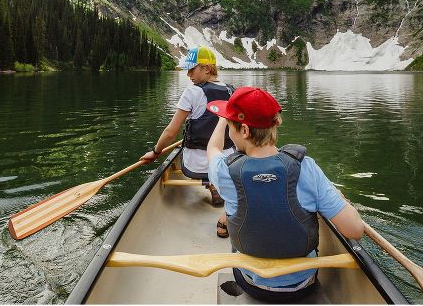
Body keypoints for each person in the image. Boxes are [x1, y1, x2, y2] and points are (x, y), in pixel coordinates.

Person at [205, 86, 364, 303]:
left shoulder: (223, 172)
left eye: (231, 127)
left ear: (244, 131)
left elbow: (213, 148)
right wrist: (335, 195)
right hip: (302, 286)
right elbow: (355, 230)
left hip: (252, 283)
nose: (229, 133)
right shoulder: (306, 167)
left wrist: (222, 118)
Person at [141, 46, 236, 238]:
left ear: (207, 68)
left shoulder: (192, 92)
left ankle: (211, 183)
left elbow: (170, 133)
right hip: (228, 162)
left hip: (196, 165)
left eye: (192, 69)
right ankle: (216, 184)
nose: (188, 74)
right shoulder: (231, 91)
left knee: (194, 154)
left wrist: (156, 152)